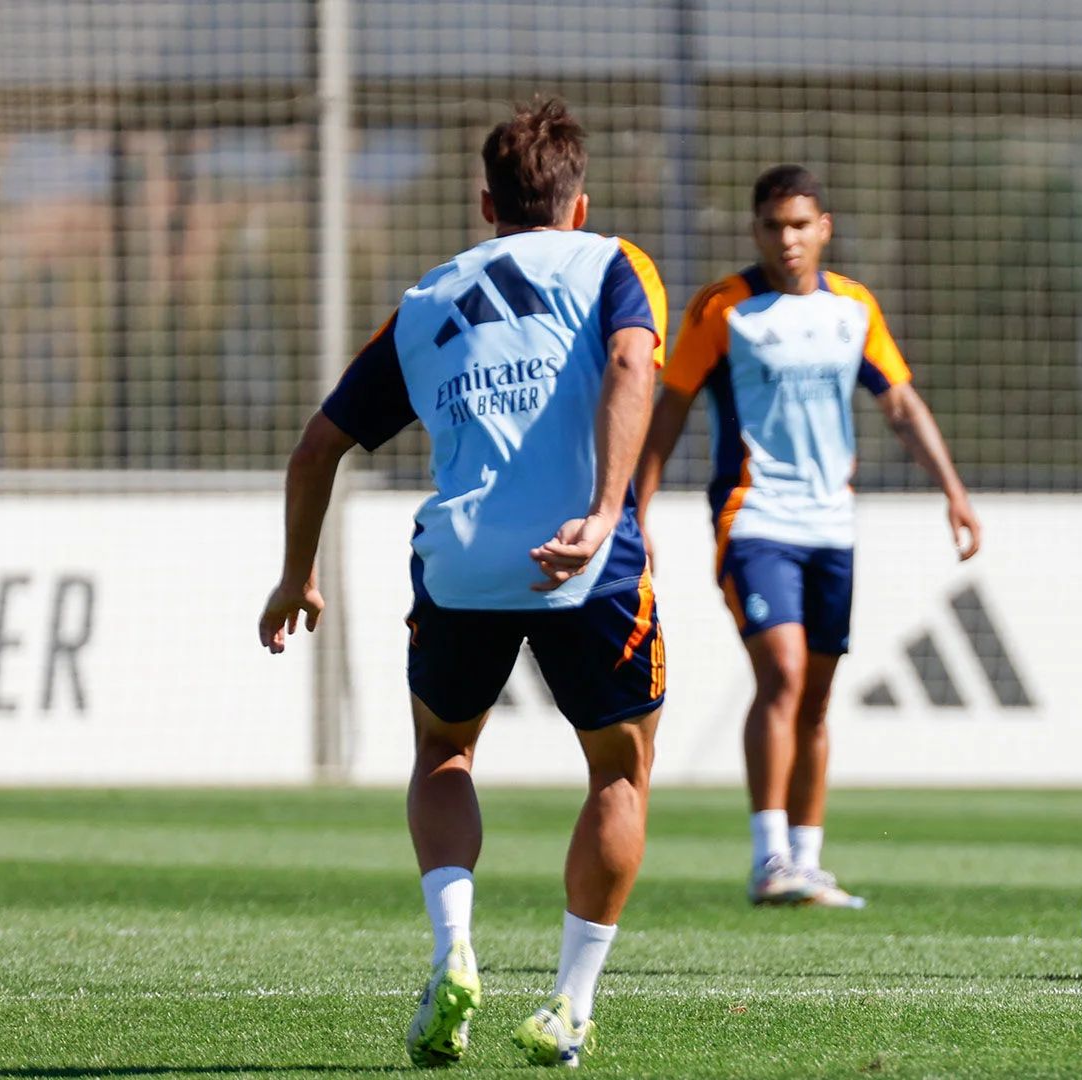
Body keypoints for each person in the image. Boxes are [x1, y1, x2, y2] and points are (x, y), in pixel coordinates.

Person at [258, 99, 668, 1068]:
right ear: (579, 203)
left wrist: (295, 575)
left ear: (486, 202)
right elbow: (628, 364)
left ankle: (454, 951)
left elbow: (317, 449)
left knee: (444, 752)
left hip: (462, 563)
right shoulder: (613, 263)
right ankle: (568, 1006)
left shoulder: (428, 301)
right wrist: (608, 510)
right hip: (585, 558)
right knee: (618, 770)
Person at [635, 164, 981, 909]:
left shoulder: (853, 308)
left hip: (832, 524)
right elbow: (670, 409)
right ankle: (768, 859)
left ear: (823, 227)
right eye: (772, 226)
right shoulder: (723, 309)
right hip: (753, 518)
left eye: (800, 224)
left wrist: (953, 491)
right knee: (783, 675)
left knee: (817, 699)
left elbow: (899, 404)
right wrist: (639, 507)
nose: (786, 239)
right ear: (755, 230)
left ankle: (807, 859)